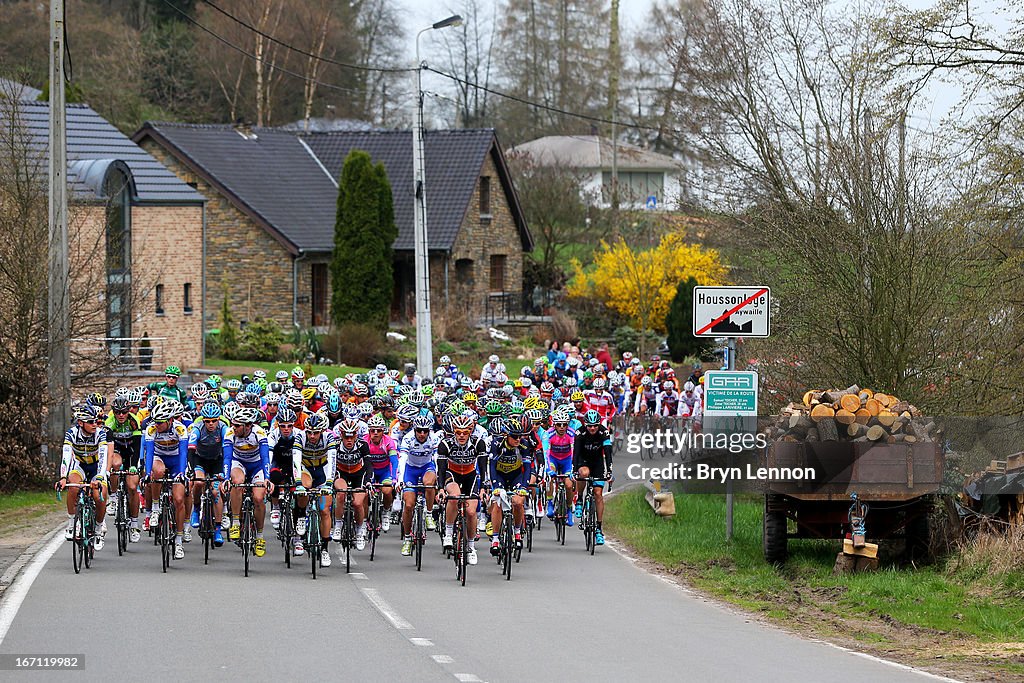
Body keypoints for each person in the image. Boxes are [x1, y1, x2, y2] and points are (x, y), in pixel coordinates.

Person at [437, 413, 487, 566]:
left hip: (470, 476)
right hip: (452, 474)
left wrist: (484, 487)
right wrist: (440, 489)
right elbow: (441, 468)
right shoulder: (445, 444)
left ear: (470, 431)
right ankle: (449, 531)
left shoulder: (478, 443)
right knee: (455, 496)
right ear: (453, 431)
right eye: (458, 432)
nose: (462, 436)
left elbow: (484, 467)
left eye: (465, 432)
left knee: (471, 512)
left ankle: (471, 547)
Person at [58, 404, 110, 550]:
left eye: (96, 421)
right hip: (80, 466)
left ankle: (99, 530)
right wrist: (63, 477)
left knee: (99, 496)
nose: (95, 424)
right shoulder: (72, 434)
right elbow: (66, 456)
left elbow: (103, 456)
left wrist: (100, 478)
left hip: (96, 468)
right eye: (90, 422)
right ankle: (71, 523)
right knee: (73, 486)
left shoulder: (100, 434)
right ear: (80, 423)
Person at [222, 406, 272, 558]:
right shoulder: (230, 433)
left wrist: (267, 478)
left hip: (257, 465)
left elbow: (265, 458)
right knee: (237, 482)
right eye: (233, 424)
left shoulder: (259, 433)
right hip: (239, 463)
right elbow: (227, 458)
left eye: (237, 425)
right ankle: (236, 522)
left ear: (248, 425)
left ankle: (260, 537)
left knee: (258, 498)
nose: (233, 427)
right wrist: (226, 479)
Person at [143, 401, 190, 559]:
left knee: (178, 500)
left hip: (177, 461)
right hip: (159, 457)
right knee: (157, 472)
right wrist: (147, 473)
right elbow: (149, 453)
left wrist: (182, 473)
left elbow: (184, 453)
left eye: (160, 422)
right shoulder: (151, 429)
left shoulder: (180, 428)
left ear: (170, 420)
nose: (157, 425)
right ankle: (155, 508)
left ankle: (178, 540)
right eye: (155, 421)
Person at [292, 412, 334, 565]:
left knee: (324, 510)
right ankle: (302, 515)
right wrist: (297, 483)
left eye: (315, 433)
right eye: (309, 432)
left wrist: (329, 483)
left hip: (323, 471)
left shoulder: (329, 438)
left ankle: (324, 549)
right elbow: (296, 460)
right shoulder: (300, 437)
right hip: (306, 470)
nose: (312, 436)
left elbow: (332, 461)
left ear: (322, 431)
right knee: (305, 487)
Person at [487, 414, 531, 556]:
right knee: (498, 503)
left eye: (519, 436)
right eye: (514, 436)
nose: (518, 439)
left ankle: (517, 532)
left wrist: (524, 487)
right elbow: (492, 466)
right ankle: (495, 539)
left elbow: (528, 468)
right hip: (499, 475)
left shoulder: (524, 444)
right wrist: (495, 486)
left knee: (518, 502)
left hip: (515, 476)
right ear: (506, 435)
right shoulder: (496, 444)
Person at [187, 402, 228, 547]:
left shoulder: (224, 428)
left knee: (216, 491)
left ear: (219, 419)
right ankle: (196, 509)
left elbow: (227, 451)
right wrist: (191, 471)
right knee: (199, 482)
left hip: (217, 460)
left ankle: (217, 529)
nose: (211, 424)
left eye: (214, 421)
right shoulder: (197, 428)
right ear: (203, 420)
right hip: (200, 459)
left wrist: (225, 472)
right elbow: (191, 450)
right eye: (207, 421)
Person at [398, 414, 440, 556]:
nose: (422, 434)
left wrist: (438, 478)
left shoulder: (434, 438)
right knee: (409, 505)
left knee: (429, 483)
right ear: (414, 430)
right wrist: (400, 479)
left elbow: (436, 458)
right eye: (419, 431)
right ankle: (408, 538)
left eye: (425, 431)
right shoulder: (408, 438)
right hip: (411, 469)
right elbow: (402, 459)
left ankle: (428, 514)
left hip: (427, 467)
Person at [572, 410, 613, 545]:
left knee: (598, 493)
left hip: (597, 463)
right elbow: (576, 453)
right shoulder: (580, 433)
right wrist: (574, 470)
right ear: (586, 425)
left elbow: (608, 453)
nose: (593, 428)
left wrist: (609, 472)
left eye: (595, 425)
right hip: (583, 461)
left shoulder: (604, 432)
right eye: (590, 426)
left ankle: (599, 529)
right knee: (583, 473)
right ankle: (579, 499)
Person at [332, 418, 372, 553]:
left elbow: (368, 465)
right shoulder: (335, 444)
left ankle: (360, 530)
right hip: (341, 473)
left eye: (352, 436)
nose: (349, 440)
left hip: (358, 474)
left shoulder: (362, 445)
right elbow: (331, 464)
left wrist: (367, 481)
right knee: (341, 493)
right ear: (341, 435)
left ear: (356, 435)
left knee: (357, 503)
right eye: (345, 436)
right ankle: (338, 525)